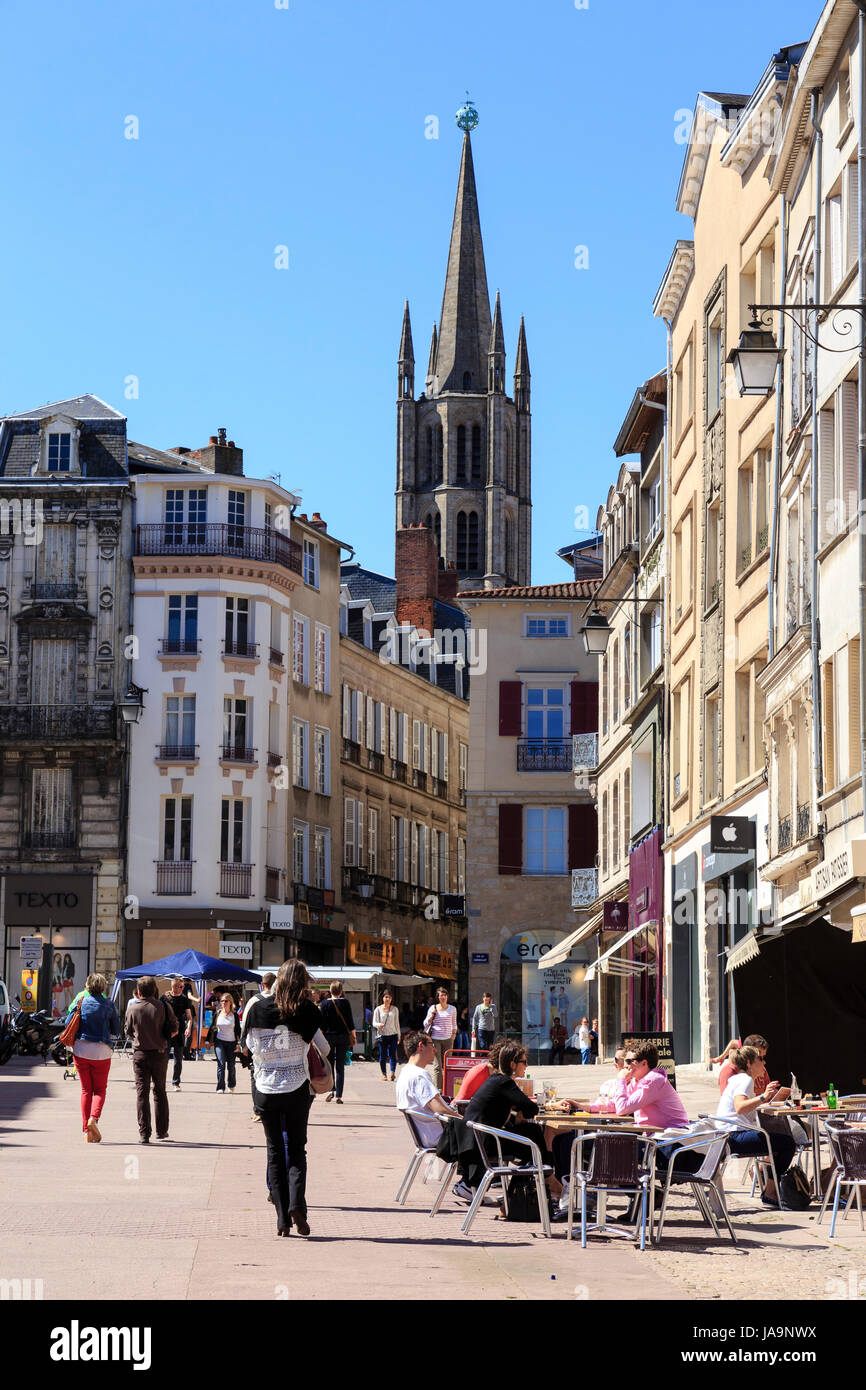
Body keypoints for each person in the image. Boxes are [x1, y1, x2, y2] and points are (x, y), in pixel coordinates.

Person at [241, 959, 329, 1236]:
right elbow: (323, 1047)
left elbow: (248, 1047)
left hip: (265, 1089)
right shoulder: (307, 1010)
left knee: (275, 1151)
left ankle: (281, 1219)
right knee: (297, 1150)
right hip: (297, 1088)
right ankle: (297, 1206)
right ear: (303, 983)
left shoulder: (257, 1007)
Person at [462, 1040, 557, 1203]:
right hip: (485, 1143)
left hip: (476, 1139)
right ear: (513, 1064)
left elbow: (516, 1107)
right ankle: (546, 1179)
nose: (526, 1066)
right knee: (532, 1134)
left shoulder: (496, 1080)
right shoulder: (504, 1082)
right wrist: (521, 1112)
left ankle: (533, 1187)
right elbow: (531, 1108)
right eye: (524, 1062)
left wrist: (519, 1113)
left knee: (530, 1136)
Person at [714, 1045, 794, 1203]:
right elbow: (740, 1107)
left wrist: (768, 1099)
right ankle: (770, 1192)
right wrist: (763, 1097)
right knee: (787, 1143)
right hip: (733, 1136)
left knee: (779, 1141)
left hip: (725, 1135)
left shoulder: (738, 1079)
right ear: (749, 1063)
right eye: (761, 1059)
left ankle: (768, 1186)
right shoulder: (745, 1079)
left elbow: (746, 1107)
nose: (764, 1063)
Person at [124, 976, 178, 1143]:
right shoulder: (163, 1006)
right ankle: (161, 1131)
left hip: (140, 1053)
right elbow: (174, 1028)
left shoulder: (133, 1008)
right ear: (154, 990)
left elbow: (128, 1031)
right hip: (160, 1053)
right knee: (160, 1091)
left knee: (142, 1094)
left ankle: (144, 1133)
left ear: (138, 992)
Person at [68, 973, 120, 1143]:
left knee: (86, 1090)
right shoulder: (109, 1005)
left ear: (87, 986)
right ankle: (94, 1119)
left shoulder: (80, 1002)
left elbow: (68, 1022)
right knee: (99, 1090)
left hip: (81, 1049)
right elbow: (116, 1030)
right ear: (103, 987)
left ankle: (86, 1131)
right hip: (102, 1051)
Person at [320, 980, 356, 1104]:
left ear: (330, 991)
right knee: (340, 1066)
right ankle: (339, 1095)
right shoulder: (345, 1003)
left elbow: (322, 1025)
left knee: (329, 1065)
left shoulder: (324, 1004)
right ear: (341, 991)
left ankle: (331, 1089)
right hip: (343, 1038)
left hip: (329, 1038)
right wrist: (354, 1036)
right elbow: (350, 1022)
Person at [246, 973, 276, 1121]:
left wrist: (244, 1045)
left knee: (256, 1076)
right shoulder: (281, 1001)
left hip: (258, 1047)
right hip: (278, 1047)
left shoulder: (253, 1001)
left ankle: (258, 1110)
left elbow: (245, 1023)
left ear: (262, 985)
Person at [161, 977, 195, 1091]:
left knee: (178, 1059)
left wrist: (188, 1028)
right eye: (180, 986)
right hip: (166, 1031)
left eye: (182, 987)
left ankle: (176, 1082)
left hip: (179, 1032)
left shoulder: (185, 999)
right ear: (173, 986)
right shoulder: (164, 998)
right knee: (163, 1058)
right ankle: (161, 1082)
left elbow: (190, 1017)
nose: (181, 989)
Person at [423, 987, 457, 1090]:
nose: (442, 997)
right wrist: (431, 1017)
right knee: (437, 1066)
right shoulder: (433, 1008)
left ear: (447, 996)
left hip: (448, 1039)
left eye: (444, 995)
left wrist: (453, 1034)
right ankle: (438, 1089)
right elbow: (425, 1023)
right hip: (435, 1039)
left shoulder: (452, 1009)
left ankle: (447, 1087)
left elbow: (454, 1023)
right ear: (437, 997)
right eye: (440, 995)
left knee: (447, 1066)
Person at [208, 993, 241, 1093]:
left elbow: (238, 1030)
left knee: (231, 1066)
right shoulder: (217, 1013)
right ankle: (220, 1087)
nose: (223, 1003)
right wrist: (207, 1040)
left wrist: (239, 1043)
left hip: (231, 1043)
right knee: (221, 1064)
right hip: (219, 1042)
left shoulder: (234, 1015)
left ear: (230, 1002)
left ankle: (231, 1084)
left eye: (226, 1001)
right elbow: (212, 1027)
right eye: (222, 1001)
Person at [372, 988, 400, 1082]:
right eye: (386, 997)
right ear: (382, 998)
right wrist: (378, 1025)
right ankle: (384, 1074)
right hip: (382, 1035)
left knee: (393, 1055)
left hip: (393, 1034)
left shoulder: (395, 1009)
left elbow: (397, 1023)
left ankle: (392, 1073)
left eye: (389, 997)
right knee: (382, 1055)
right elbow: (374, 1023)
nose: (387, 999)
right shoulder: (378, 1009)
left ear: (391, 999)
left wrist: (399, 1035)